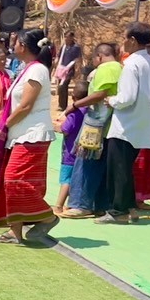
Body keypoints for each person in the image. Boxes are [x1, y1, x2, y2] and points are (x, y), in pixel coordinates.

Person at [0, 29, 59, 245]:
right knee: (11, 180)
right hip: (21, 134)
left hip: (32, 134)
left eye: (15, 42)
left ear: (24, 45)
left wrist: (3, 125)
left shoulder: (37, 70)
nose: (13, 46)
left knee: (14, 179)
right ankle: (15, 232)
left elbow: (26, 105)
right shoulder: (28, 69)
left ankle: (48, 217)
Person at [98, 22, 150, 225]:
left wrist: (111, 100)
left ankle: (118, 210)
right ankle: (130, 207)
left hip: (127, 124)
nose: (123, 42)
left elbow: (126, 97)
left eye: (125, 38)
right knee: (126, 167)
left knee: (118, 168)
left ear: (133, 40)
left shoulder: (132, 64)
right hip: (145, 121)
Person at [61, 43, 121, 218]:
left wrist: (75, 105)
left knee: (85, 163)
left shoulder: (106, 69)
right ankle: (99, 205)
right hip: (108, 124)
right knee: (100, 166)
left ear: (99, 57)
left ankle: (80, 205)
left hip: (96, 124)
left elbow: (99, 94)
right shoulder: (121, 68)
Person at [55, 80, 89, 213]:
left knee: (66, 180)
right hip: (83, 152)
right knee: (78, 178)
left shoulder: (74, 113)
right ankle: (72, 203)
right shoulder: (90, 112)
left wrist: (57, 126)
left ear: (73, 97)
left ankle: (59, 205)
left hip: (70, 153)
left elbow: (65, 130)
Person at [54, 29, 82, 110]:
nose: (66, 39)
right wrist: (56, 62)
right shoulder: (64, 47)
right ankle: (61, 104)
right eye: (65, 37)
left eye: (67, 37)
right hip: (61, 69)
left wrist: (78, 69)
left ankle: (63, 105)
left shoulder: (76, 47)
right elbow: (59, 56)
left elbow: (78, 59)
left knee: (63, 86)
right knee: (61, 87)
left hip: (69, 70)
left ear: (72, 38)